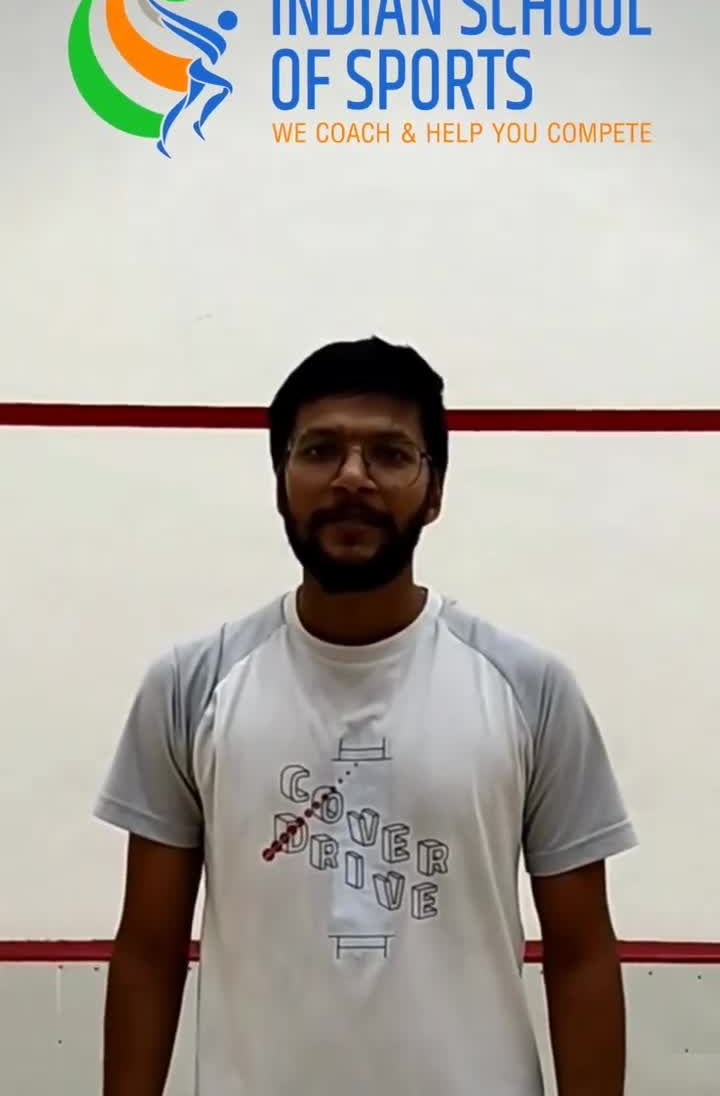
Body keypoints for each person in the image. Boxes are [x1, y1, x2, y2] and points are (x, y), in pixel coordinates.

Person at [95, 336, 638, 1096]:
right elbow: (149, 954)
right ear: (280, 482)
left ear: (435, 491)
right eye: (320, 451)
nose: (353, 477)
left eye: (390, 454)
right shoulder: (190, 686)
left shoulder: (531, 688)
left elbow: (581, 956)